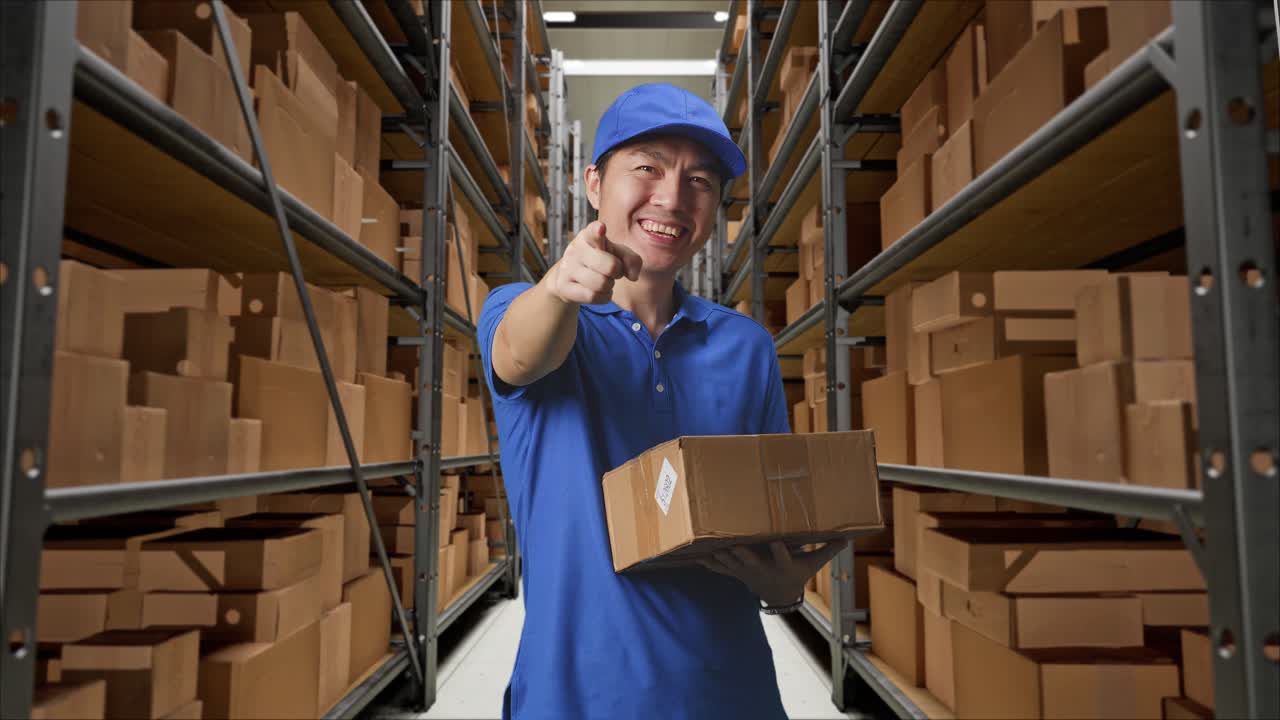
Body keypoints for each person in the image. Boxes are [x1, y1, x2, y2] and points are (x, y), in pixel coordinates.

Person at [479, 83, 844, 720]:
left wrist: (784, 591)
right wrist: (562, 288)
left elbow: (767, 526)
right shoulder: (526, 309)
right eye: (646, 168)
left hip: (729, 694)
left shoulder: (746, 347)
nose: (672, 198)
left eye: (699, 180)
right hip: (575, 698)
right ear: (593, 183)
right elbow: (520, 355)